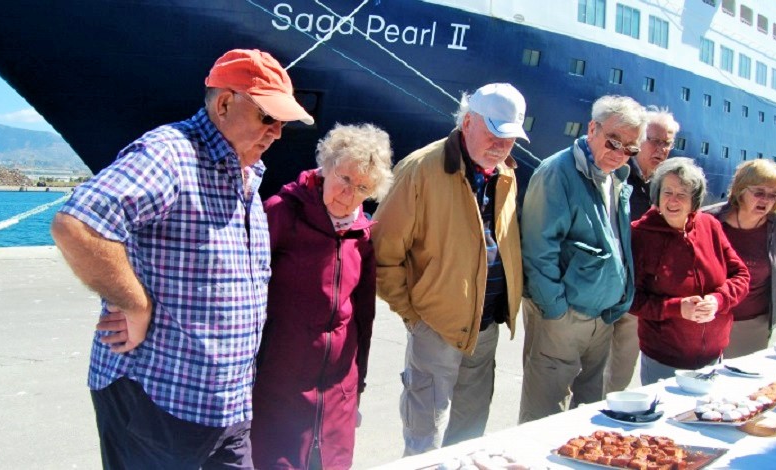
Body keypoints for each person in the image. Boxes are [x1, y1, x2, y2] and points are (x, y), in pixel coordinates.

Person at [49, 49, 314, 468]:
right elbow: (78, 224)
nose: (278, 132)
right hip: (159, 401)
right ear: (225, 103)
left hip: (225, 406)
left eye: (283, 122)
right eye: (268, 117)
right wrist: (134, 303)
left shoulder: (246, 173)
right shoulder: (171, 154)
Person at [372, 83, 527, 455]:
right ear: (468, 121)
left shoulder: (506, 172)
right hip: (436, 328)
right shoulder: (420, 170)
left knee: (471, 440)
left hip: (487, 327)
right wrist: (414, 316)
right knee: (425, 440)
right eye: (495, 134)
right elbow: (381, 252)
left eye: (510, 139)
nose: (502, 146)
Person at [250, 123, 393, 470]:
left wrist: (356, 386)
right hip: (279, 386)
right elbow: (242, 296)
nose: (348, 195)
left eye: (361, 188)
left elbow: (363, 319)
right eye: (344, 179)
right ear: (325, 167)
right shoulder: (281, 213)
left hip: (337, 395)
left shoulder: (362, 234)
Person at [519, 95, 645, 424]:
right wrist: (556, 310)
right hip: (563, 318)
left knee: (589, 416)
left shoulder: (615, 178)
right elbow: (538, 249)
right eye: (613, 142)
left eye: (630, 149)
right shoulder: (557, 173)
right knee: (543, 416)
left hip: (601, 318)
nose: (619, 154)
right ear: (592, 128)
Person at [631, 158, 750, 384]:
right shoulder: (640, 234)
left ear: (694, 199)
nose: (673, 200)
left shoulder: (710, 225)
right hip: (664, 361)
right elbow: (631, 299)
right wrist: (678, 308)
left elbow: (741, 275)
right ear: (657, 195)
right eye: (667, 192)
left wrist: (718, 300)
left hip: (714, 357)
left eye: (682, 194)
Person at [604, 107, 680, 394]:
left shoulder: (666, 185)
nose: (660, 149)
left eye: (667, 143)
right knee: (587, 374)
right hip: (607, 290)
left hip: (640, 298)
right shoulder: (615, 176)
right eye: (654, 140)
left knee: (619, 376)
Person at [704, 160, 776, 358]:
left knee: (740, 384)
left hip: (752, 325)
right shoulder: (708, 220)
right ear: (740, 189)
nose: (766, 200)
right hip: (706, 319)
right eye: (759, 192)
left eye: (773, 195)